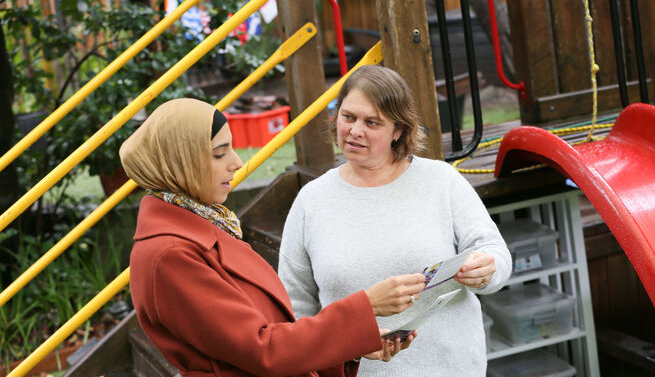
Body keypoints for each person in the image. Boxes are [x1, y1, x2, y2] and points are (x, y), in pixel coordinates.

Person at [120, 98, 428, 377]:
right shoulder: (172, 254)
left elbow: (265, 341)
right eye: (218, 153)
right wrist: (366, 307)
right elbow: (263, 350)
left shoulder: (203, 225)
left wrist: (348, 347)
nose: (236, 163)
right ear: (179, 163)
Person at [278, 66, 512, 376]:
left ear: (398, 130)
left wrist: (487, 269)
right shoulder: (311, 200)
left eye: (372, 122)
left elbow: (494, 250)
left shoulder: (440, 180)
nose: (355, 130)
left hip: (451, 367)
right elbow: (294, 306)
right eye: (348, 117)